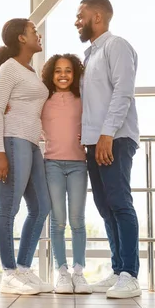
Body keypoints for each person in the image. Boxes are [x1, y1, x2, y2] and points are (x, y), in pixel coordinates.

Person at [75, 0, 141, 298]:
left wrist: (107, 135)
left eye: (81, 16)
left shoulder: (117, 46)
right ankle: (117, 271)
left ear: (97, 17)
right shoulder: (90, 56)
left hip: (115, 139)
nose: (77, 21)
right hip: (94, 142)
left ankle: (130, 275)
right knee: (105, 207)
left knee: (119, 203)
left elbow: (123, 92)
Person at [0, 18, 53, 295]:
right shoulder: (10, 68)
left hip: (30, 144)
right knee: (8, 208)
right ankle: (8, 273)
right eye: (33, 31)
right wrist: (0, 153)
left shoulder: (29, 70)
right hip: (11, 143)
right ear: (21, 38)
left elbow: (28, 109)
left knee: (41, 207)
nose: (38, 35)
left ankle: (24, 269)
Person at [40, 53, 92, 294]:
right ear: (51, 74)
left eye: (68, 70)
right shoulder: (44, 99)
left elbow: (94, 121)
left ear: (75, 74)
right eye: (58, 71)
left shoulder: (82, 99)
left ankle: (79, 272)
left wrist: (88, 136)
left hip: (78, 164)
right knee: (58, 221)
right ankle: (61, 273)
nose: (63, 75)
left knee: (77, 220)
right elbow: (28, 115)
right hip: (52, 164)